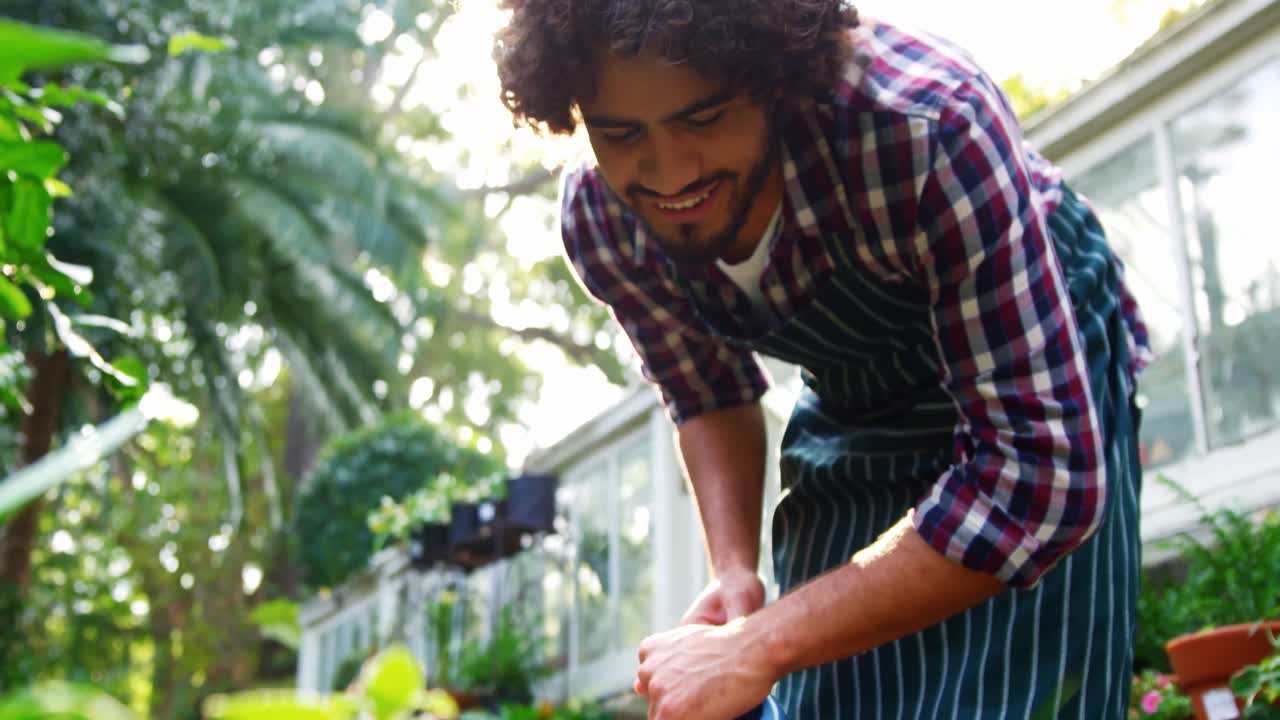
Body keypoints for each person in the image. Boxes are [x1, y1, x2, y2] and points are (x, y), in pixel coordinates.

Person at [493, 1, 1150, 718]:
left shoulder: (929, 126)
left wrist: (760, 643)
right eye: (621, 134)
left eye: (703, 119)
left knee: (1027, 699)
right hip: (855, 396)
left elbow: (1036, 483)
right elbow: (706, 392)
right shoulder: (604, 219)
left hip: (1030, 367)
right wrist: (736, 573)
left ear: (773, 83)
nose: (669, 172)